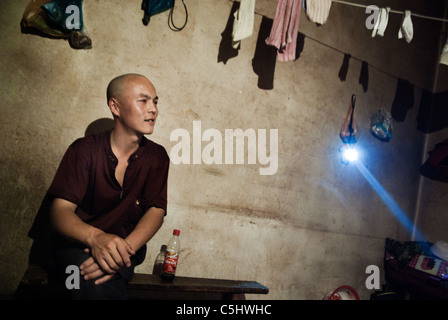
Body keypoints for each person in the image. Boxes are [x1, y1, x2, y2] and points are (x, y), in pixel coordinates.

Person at [47, 74, 170, 299]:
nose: (153, 109)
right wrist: (96, 238)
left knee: (103, 276)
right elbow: (59, 211)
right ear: (115, 106)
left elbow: (156, 210)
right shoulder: (83, 150)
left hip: (127, 247)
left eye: (155, 101)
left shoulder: (157, 157)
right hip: (77, 244)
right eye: (143, 100)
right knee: (78, 278)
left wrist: (121, 248)